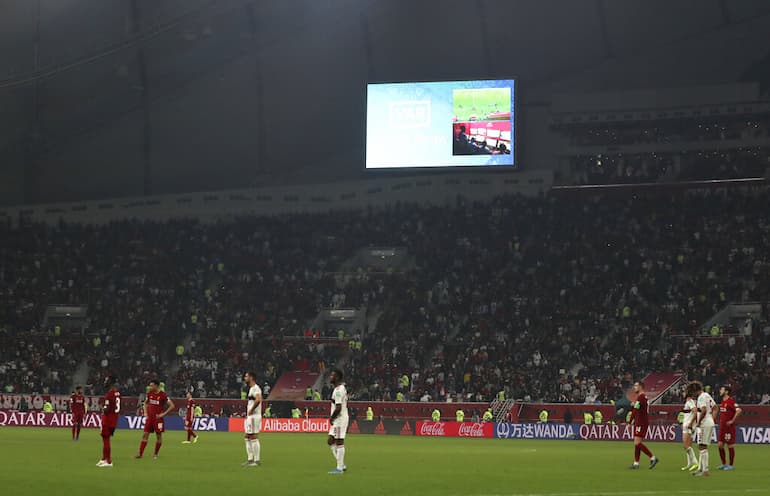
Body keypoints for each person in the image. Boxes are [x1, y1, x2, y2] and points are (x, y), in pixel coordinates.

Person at [135, 379, 175, 460]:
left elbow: (172, 406)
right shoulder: (149, 394)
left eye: (152, 385)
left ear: (157, 386)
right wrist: (145, 413)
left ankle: (155, 454)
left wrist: (163, 414)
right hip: (150, 418)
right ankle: (140, 453)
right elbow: (145, 403)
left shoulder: (163, 395)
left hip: (158, 419)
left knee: (158, 436)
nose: (150, 387)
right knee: (145, 434)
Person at [628, 381, 659, 469]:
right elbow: (637, 408)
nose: (634, 387)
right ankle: (636, 463)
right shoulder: (642, 397)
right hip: (641, 421)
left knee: (637, 443)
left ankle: (653, 457)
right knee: (637, 443)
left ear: (641, 387)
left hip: (641, 422)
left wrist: (630, 422)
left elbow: (635, 410)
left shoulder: (641, 397)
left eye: (636, 386)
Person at [692, 381, 717, 477]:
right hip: (708, 422)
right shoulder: (707, 395)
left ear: (695, 390)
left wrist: (699, 422)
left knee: (703, 446)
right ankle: (701, 469)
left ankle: (705, 471)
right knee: (701, 446)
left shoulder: (701, 397)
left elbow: (703, 410)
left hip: (704, 424)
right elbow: (715, 408)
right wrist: (712, 419)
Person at [327, 368, 348, 475]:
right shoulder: (338, 389)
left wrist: (332, 418)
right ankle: (341, 464)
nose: (331, 377)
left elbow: (338, 407)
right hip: (337, 420)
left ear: (338, 377)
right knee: (330, 441)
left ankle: (339, 468)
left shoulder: (339, 391)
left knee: (339, 441)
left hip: (339, 419)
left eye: (333, 375)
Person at [97, 375, 121, 467]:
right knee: (105, 439)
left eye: (106, 380)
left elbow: (106, 409)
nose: (105, 382)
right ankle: (103, 459)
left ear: (110, 382)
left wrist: (102, 408)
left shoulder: (109, 394)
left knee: (106, 440)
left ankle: (109, 461)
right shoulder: (117, 393)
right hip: (114, 419)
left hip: (108, 420)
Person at [717, 385, 742, 470]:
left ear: (726, 392)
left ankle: (731, 465)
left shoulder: (731, 401)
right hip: (722, 427)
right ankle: (723, 464)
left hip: (729, 428)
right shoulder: (722, 401)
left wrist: (732, 421)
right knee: (720, 445)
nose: (720, 390)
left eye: (722, 389)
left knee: (730, 445)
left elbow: (739, 410)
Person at [242, 371, 262, 467]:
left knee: (253, 436)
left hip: (254, 416)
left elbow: (258, 400)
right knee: (247, 436)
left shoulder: (256, 388)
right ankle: (250, 459)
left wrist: (252, 410)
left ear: (251, 377)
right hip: (250, 417)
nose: (245, 378)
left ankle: (256, 460)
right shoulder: (251, 389)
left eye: (246, 376)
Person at [680, 383, 699, 472]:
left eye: (684, 392)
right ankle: (689, 464)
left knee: (686, 446)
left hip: (688, 426)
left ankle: (695, 463)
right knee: (689, 446)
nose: (683, 393)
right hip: (688, 425)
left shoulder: (690, 402)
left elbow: (695, 412)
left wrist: (691, 423)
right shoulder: (689, 402)